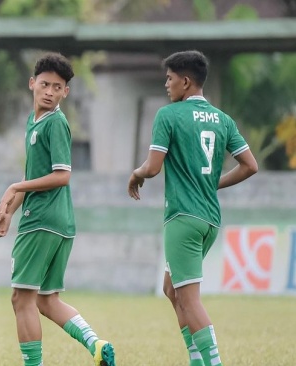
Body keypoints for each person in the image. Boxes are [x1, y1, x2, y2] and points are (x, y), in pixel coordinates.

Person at [127, 50, 258, 366]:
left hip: (183, 217)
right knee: (171, 289)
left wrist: (137, 173)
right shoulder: (223, 120)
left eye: (170, 79)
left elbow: (154, 167)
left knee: (189, 299)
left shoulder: (168, 115)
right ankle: (197, 361)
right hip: (209, 219)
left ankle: (212, 363)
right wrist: (213, 184)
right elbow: (250, 165)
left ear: (185, 82)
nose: (166, 85)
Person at [0, 53, 116, 366]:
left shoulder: (56, 123)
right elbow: (30, 177)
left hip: (42, 220)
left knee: (22, 299)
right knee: (47, 300)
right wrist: (8, 211)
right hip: (57, 222)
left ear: (65, 92)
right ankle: (97, 345)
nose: (49, 91)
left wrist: (16, 190)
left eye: (57, 87)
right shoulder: (35, 122)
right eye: (44, 84)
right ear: (32, 84)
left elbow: (62, 175)